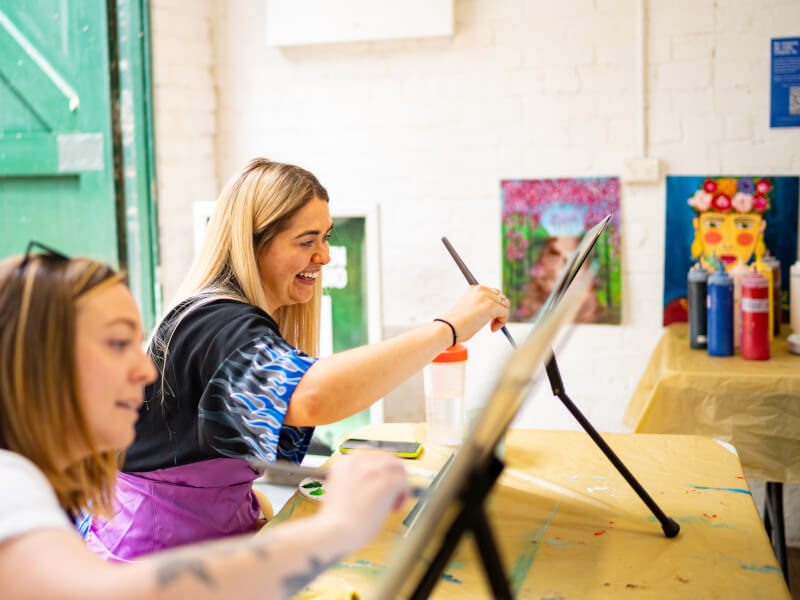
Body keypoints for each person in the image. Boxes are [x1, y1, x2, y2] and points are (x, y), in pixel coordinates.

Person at [86, 158, 510, 560]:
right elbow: (312, 397)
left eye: (326, 237)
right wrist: (448, 328)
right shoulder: (218, 323)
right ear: (252, 244)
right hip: (154, 561)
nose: (324, 256)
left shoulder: (222, 317)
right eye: (307, 241)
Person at [0, 247, 411, 599]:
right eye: (118, 343)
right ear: (40, 362)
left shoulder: (47, 486)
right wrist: (337, 528)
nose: (145, 371)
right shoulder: (9, 480)